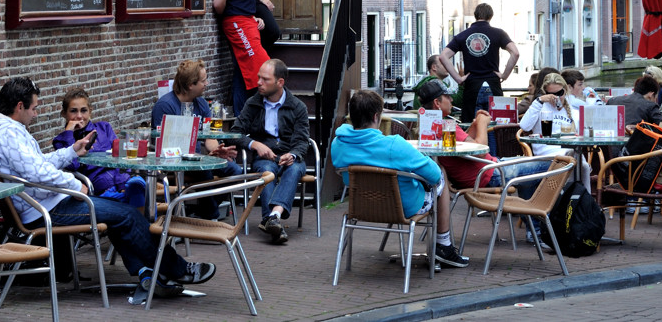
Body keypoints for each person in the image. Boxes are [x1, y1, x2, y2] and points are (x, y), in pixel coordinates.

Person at [0, 77, 214, 300]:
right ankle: (178, 269)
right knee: (127, 214)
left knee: (120, 215)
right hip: (45, 210)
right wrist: (75, 185)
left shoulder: (4, 132)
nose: (36, 114)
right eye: (34, 108)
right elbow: (37, 173)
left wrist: (72, 151)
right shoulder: (8, 135)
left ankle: (150, 273)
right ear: (20, 106)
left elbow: (36, 164)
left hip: (43, 203)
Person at [330, 89, 470, 268]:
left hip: (360, 207)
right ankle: (444, 246)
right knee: (440, 175)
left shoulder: (339, 143)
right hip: (403, 207)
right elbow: (433, 175)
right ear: (376, 117)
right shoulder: (394, 145)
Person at [418, 80, 551, 201]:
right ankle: (538, 219)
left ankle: (531, 221)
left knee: (532, 172)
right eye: (447, 96)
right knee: (551, 165)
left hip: (489, 169)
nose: (452, 99)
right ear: (437, 103)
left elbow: (464, 147)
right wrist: (482, 124)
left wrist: (475, 126)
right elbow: (479, 152)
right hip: (487, 175)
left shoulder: (432, 125)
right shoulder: (442, 126)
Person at [151, 59, 244, 219]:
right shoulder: (165, 106)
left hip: (197, 160)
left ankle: (202, 213)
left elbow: (208, 137)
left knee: (235, 171)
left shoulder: (201, 104)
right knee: (205, 172)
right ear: (190, 85)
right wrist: (204, 158)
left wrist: (216, 151)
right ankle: (210, 217)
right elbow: (166, 144)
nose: (207, 83)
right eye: (203, 80)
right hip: (174, 161)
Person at [232, 59, 308, 245]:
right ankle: (274, 220)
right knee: (267, 171)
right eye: (259, 78)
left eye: (265, 79)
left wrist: (293, 155)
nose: (258, 82)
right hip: (265, 158)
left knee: (295, 169)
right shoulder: (253, 103)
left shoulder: (298, 107)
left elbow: (302, 141)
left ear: (279, 82)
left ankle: (272, 218)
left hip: (289, 156)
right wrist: (254, 144)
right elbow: (234, 132)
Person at [52, 88, 147, 209]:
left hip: (123, 183)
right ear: (64, 114)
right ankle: (147, 224)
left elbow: (120, 156)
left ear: (90, 112)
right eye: (73, 111)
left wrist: (122, 185)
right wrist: (69, 133)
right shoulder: (60, 140)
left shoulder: (104, 128)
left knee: (138, 185)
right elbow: (73, 165)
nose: (79, 116)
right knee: (142, 199)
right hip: (100, 190)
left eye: (84, 110)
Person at [214, 0, 271, 116]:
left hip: (245, 21)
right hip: (238, 23)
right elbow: (218, 3)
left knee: (242, 71)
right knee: (263, 68)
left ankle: (241, 119)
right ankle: (254, 115)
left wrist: (250, 16)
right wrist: (236, 17)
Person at [440, 2, 520, 123]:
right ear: (490, 16)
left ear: (475, 15)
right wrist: (504, 75)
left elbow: (443, 56)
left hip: (472, 87)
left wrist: (458, 79)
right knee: (495, 128)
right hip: (493, 85)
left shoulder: (462, 35)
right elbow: (515, 53)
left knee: (472, 127)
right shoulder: (499, 33)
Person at [520, 72, 590, 190]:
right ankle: (571, 201)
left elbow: (584, 134)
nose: (556, 97)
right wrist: (540, 100)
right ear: (545, 93)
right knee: (574, 163)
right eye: (551, 94)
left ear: (565, 90)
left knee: (581, 165)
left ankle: (583, 202)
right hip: (547, 154)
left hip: (568, 151)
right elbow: (525, 126)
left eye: (560, 93)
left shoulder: (573, 111)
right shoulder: (539, 107)